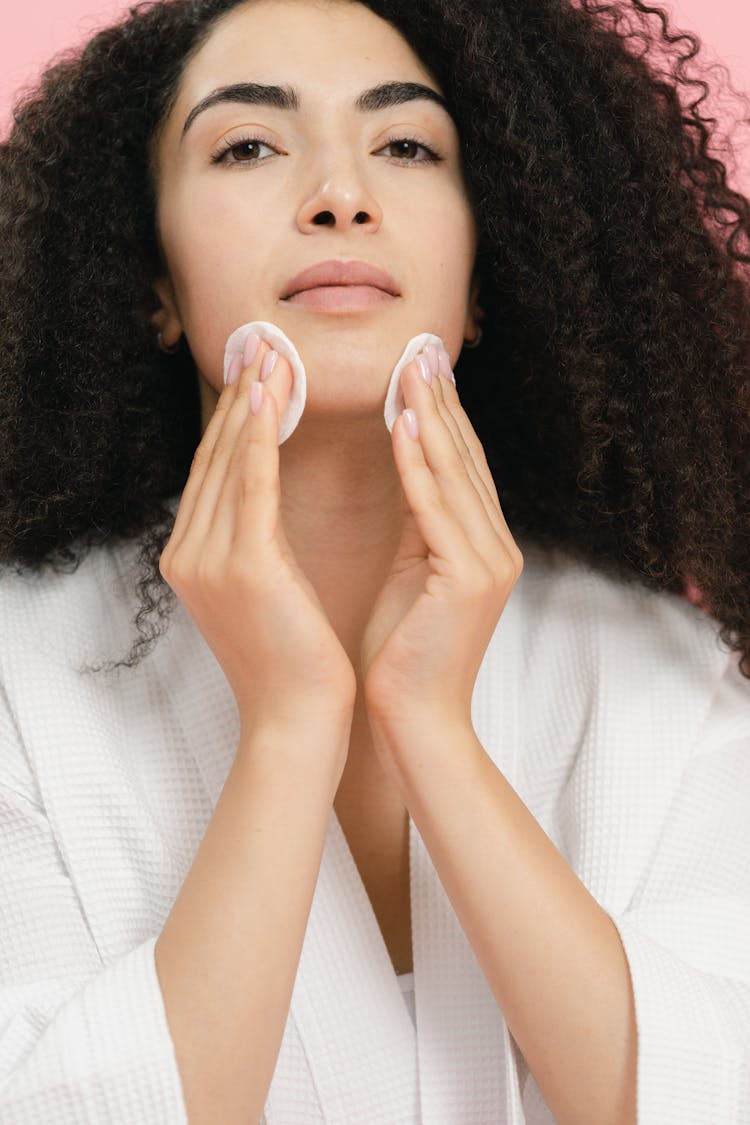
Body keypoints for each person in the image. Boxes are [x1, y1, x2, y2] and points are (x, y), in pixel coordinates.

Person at [0, 0, 748, 1121]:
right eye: (248, 145)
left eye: (406, 146)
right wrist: (292, 726)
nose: (340, 196)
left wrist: (433, 726)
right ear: (151, 281)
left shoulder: (672, 676)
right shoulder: (18, 673)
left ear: (485, 279)